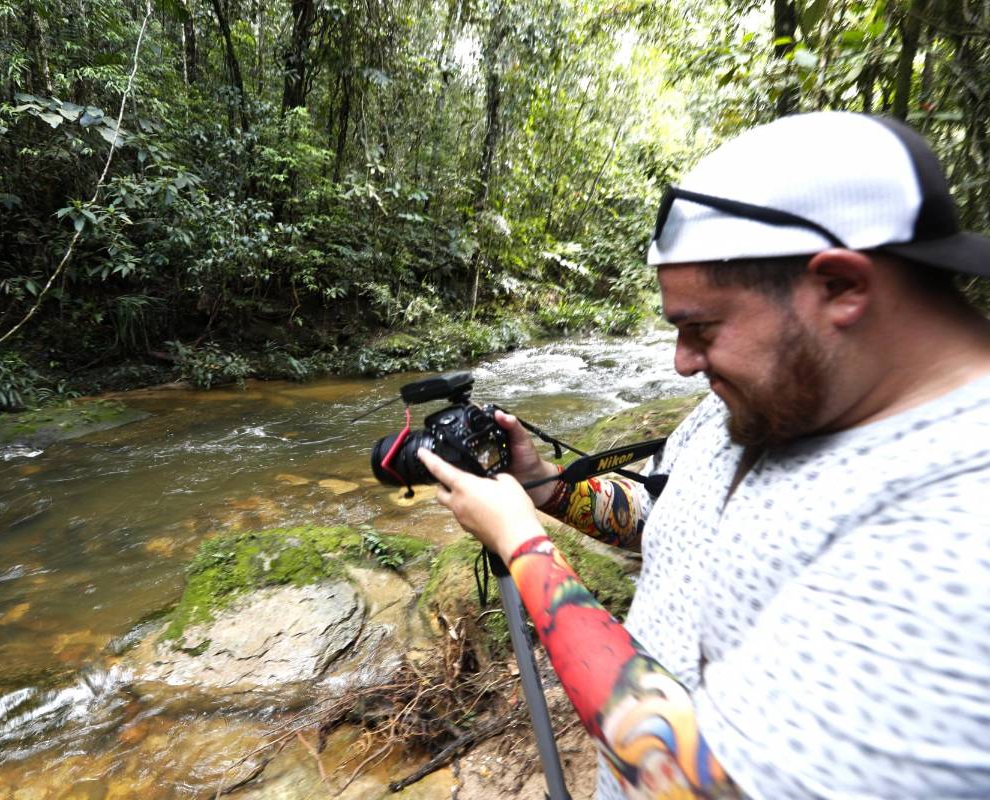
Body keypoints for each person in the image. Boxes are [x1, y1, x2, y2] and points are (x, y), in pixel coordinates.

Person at [418, 111, 990, 799]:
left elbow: (701, 783)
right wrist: (544, 489)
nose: (683, 363)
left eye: (701, 328)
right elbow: (664, 516)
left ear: (841, 287)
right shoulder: (778, 393)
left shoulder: (958, 529)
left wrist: (523, 546)